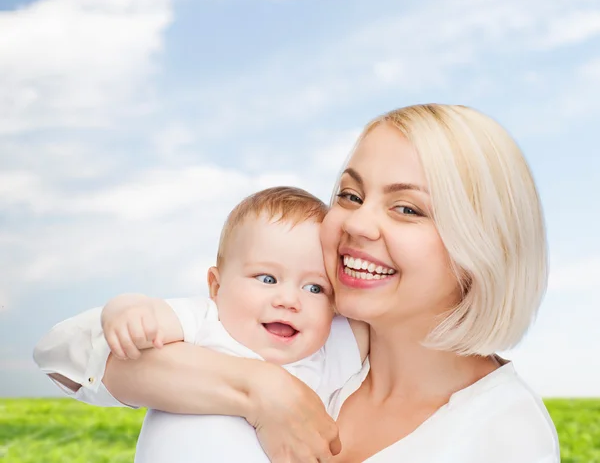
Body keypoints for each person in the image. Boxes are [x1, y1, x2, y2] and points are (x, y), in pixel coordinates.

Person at [34, 104, 560, 462]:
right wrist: (261, 390)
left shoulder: (507, 433)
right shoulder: (309, 333)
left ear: (482, 245)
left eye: (407, 208)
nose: (356, 224)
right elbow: (69, 355)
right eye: (350, 196)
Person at [35, 186, 368, 463]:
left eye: (315, 288)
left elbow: (388, 325)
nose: (289, 300)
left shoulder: (324, 354)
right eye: (267, 278)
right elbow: (136, 319)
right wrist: (123, 309)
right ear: (216, 286)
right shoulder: (204, 322)